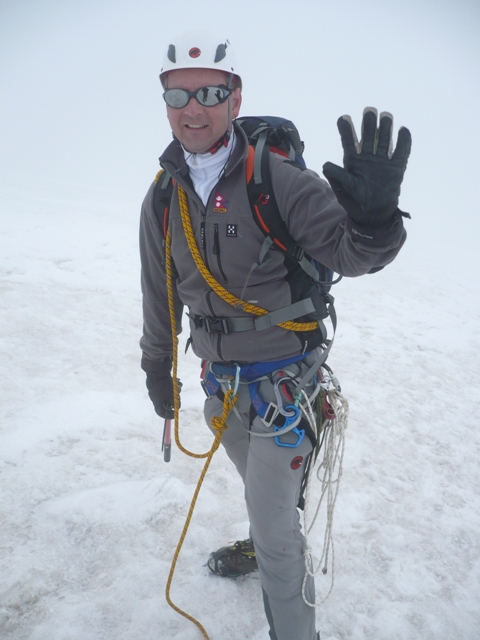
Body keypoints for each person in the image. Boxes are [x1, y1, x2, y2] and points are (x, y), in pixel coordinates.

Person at [139, 31, 411, 640]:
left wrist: (375, 220)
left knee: (274, 530)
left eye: (209, 92)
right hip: (223, 390)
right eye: (177, 95)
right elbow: (159, 294)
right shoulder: (162, 197)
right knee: (265, 497)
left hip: (287, 387)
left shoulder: (276, 179)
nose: (193, 108)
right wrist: (159, 368)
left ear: (235, 99)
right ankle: (269, 536)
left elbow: (353, 251)